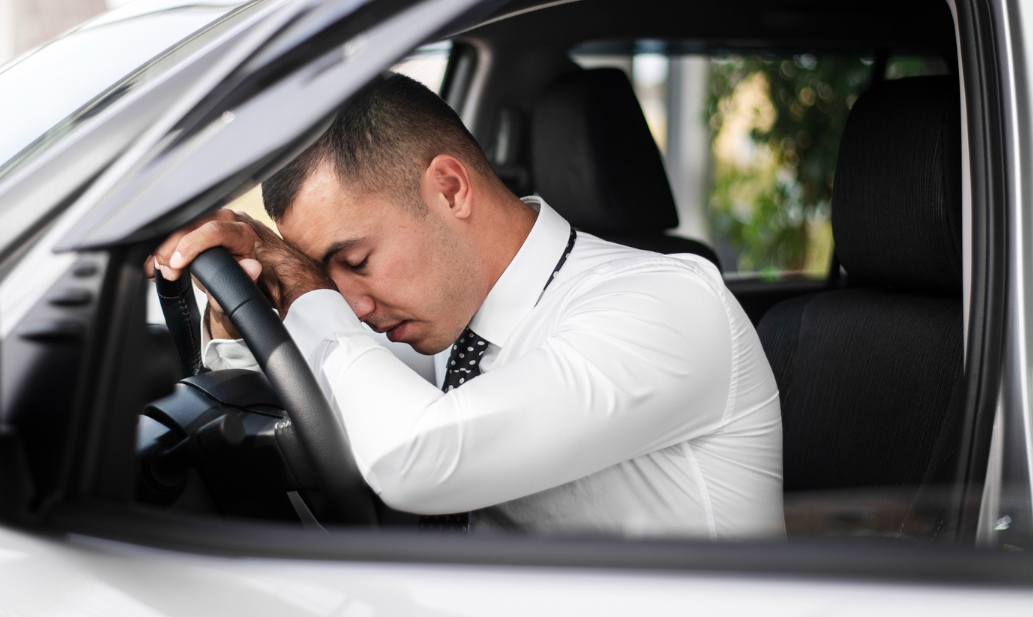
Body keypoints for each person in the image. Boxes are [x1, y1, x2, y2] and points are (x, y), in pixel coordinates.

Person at [149, 72, 783, 537]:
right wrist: (246, 315)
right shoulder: (447, 324)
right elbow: (321, 394)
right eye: (330, 273)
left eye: (357, 261)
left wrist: (310, 292)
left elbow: (417, 457)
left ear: (450, 189)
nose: (357, 306)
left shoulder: (664, 306)